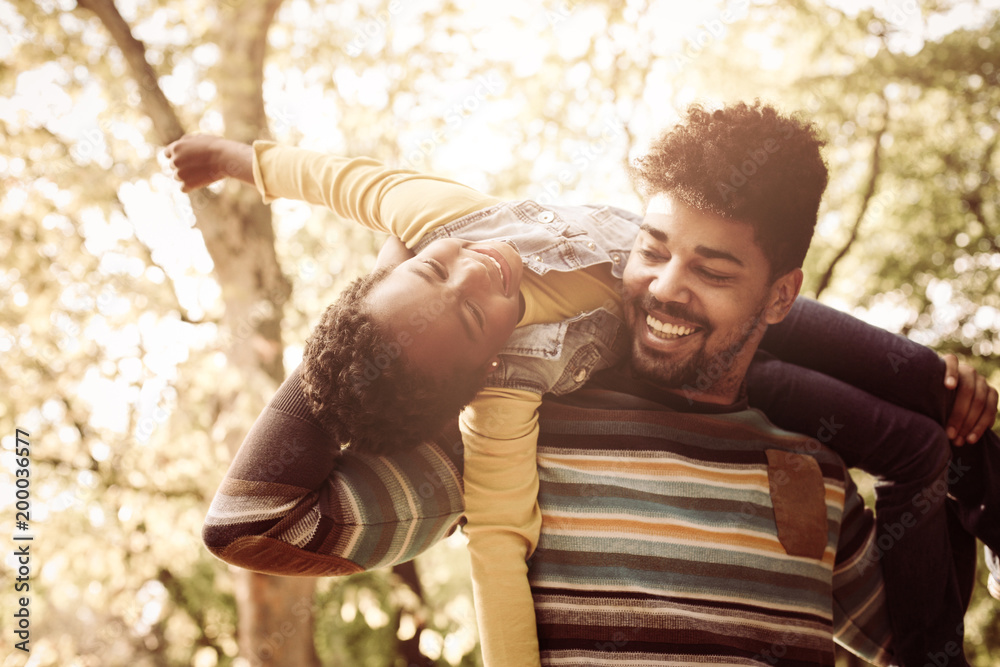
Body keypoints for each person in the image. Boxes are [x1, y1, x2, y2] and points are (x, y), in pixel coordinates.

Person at [172, 102, 1000, 665]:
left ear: (780, 291)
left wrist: (953, 452)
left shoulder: (813, 461)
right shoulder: (508, 431)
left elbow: (918, 640)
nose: (668, 286)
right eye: (655, 249)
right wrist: (368, 309)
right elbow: (254, 519)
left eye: (711, 269)